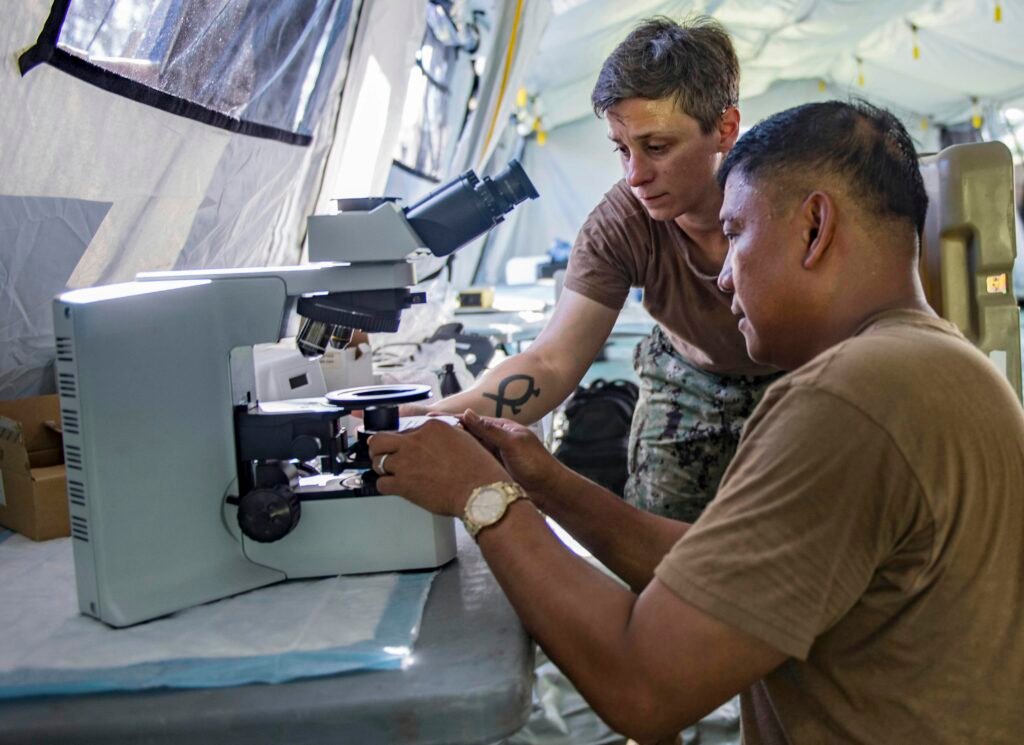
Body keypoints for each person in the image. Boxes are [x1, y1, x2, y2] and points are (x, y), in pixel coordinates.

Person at [369, 100, 1024, 743]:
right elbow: (722, 574)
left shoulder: (849, 398)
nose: (722, 278)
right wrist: (545, 485)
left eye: (736, 233)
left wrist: (482, 498)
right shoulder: (935, 366)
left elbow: (642, 686)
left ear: (814, 227)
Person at [410, 16, 779, 522]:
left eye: (657, 147)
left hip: (798, 377)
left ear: (724, 129)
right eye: (622, 149)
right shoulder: (623, 221)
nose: (636, 175)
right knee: (660, 540)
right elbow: (550, 363)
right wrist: (430, 419)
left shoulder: (784, 196)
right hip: (688, 375)